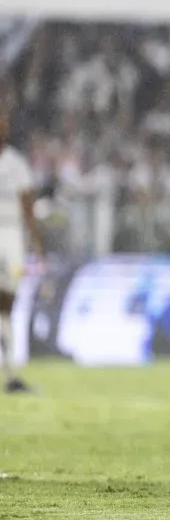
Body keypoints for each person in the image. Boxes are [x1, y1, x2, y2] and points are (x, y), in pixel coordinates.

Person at [0, 112, 44, 394]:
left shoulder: (15, 163)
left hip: (11, 234)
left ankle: (10, 375)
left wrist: (37, 242)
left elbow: (28, 206)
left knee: (7, 304)